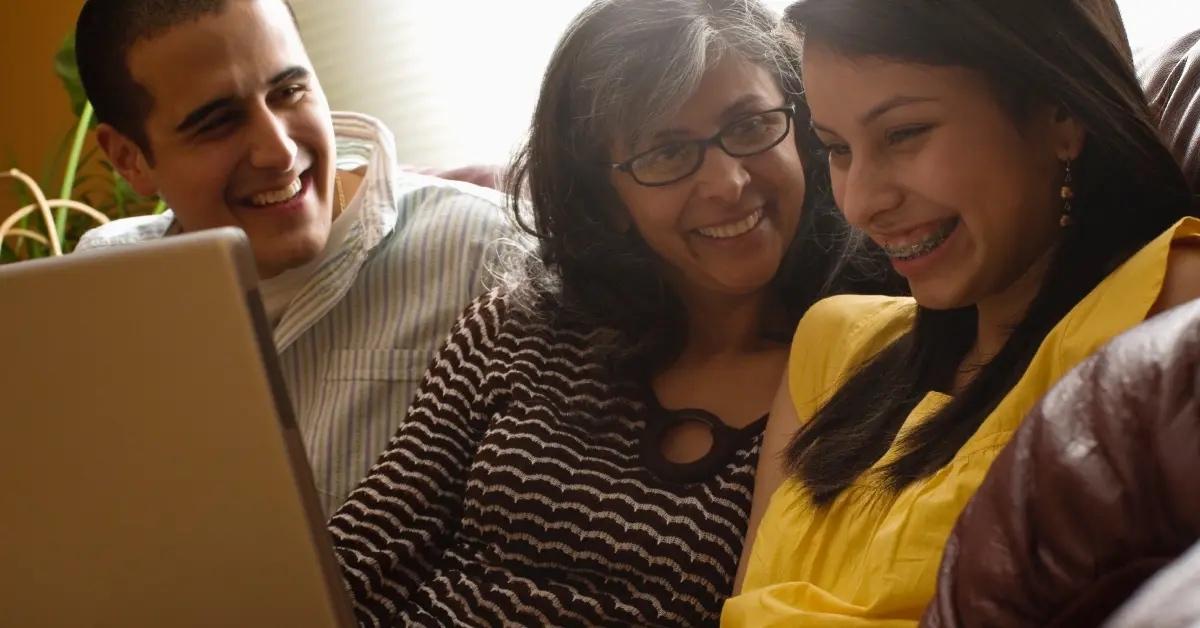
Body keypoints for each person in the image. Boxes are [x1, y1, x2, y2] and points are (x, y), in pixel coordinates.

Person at [327, 0, 898, 625]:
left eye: (751, 125)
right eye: (667, 153)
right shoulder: (511, 331)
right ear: (607, 199)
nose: (729, 182)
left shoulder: (860, 364)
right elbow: (357, 564)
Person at [725, 0, 1200, 624]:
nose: (862, 202)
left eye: (903, 133)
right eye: (836, 149)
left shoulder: (1170, 302)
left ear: (1062, 113)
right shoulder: (833, 342)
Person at [72, 0, 512, 515]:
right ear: (130, 160)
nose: (278, 152)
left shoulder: (488, 251)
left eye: (289, 92)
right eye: (217, 122)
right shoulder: (97, 290)